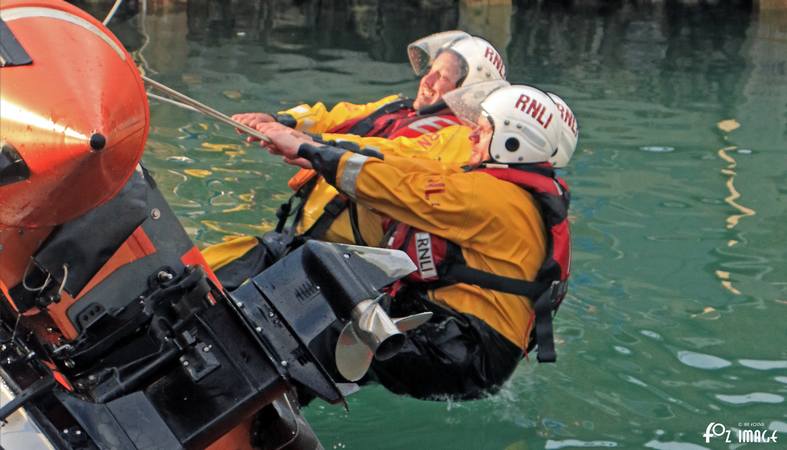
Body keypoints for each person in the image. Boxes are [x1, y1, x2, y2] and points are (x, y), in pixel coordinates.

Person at [254, 82, 575, 400]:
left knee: (315, 340)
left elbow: (400, 187)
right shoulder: (509, 194)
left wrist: (312, 152)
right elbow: (413, 167)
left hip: (465, 349)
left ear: (513, 141)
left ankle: (253, 408)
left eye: (483, 130)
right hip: (467, 341)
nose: (472, 136)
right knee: (329, 313)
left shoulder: (491, 197)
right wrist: (315, 148)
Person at [204, 31, 508, 289]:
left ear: (467, 94)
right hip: (300, 239)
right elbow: (339, 115)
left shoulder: (457, 138)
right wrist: (281, 120)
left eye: (442, 77)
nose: (427, 80)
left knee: (218, 283)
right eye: (430, 69)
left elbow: (391, 153)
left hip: (342, 260)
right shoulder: (397, 106)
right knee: (206, 269)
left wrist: (310, 146)